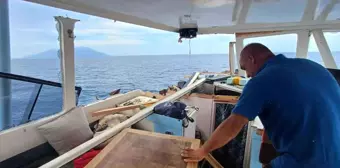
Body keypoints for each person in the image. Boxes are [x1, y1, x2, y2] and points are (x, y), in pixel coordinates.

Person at [181, 43, 340, 168]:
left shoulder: (261, 81)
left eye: (244, 68)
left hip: (308, 161)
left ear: (252, 59)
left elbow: (233, 125)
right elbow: (295, 107)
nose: (248, 75)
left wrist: (203, 151)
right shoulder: (312, 66)